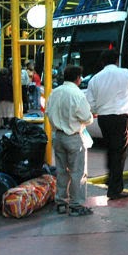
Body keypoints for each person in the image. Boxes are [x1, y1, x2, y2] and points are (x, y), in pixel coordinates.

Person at [85, 49, 128, 200]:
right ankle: (115, 189)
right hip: (121, 118)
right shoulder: (126, 73)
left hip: (104, 119)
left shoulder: (95, 79)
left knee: (111, 150)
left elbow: (90, 104)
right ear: (117, 60)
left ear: (103, 62)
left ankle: (111, 179)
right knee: (119, 153)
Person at [46, 65, 94, 216]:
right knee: (77, 172)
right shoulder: (77, 94)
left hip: (58, 136)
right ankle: (75, 205)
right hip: (73, 137)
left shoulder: (54, 92)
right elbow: (87, 117)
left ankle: (61, 202)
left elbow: (47, 111)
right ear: (78, 78)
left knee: (61, 171)